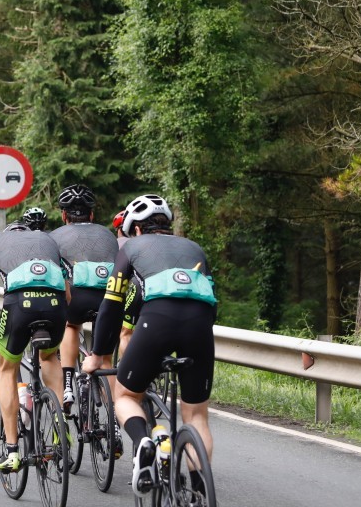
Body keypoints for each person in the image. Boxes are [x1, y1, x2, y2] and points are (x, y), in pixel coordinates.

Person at [82, 194, 217, 497]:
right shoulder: (195, 248)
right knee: (196, 416)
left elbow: (112, 304)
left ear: (136, 229)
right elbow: (211, 304)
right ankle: (198, 494)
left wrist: (99, 355)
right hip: (199, 325)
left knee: (126, 395)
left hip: (155, 321)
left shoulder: (131, 248)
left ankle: (143, 441)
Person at [0, 221, 66, 472]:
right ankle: (60, 433)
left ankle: (12, 451)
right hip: (56, 305)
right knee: (50, 359)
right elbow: (68, 295)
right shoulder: (48, 242)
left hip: (19, 305)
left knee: (7, 368)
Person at [50, 184, 118, 409]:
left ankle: (68, 384)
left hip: (77, 296)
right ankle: (114, 424)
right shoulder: (107, 234)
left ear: (63, 215)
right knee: (106, 360)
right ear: (91, 214)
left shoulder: (55, 236)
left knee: (71, 326)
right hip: (108, 300)